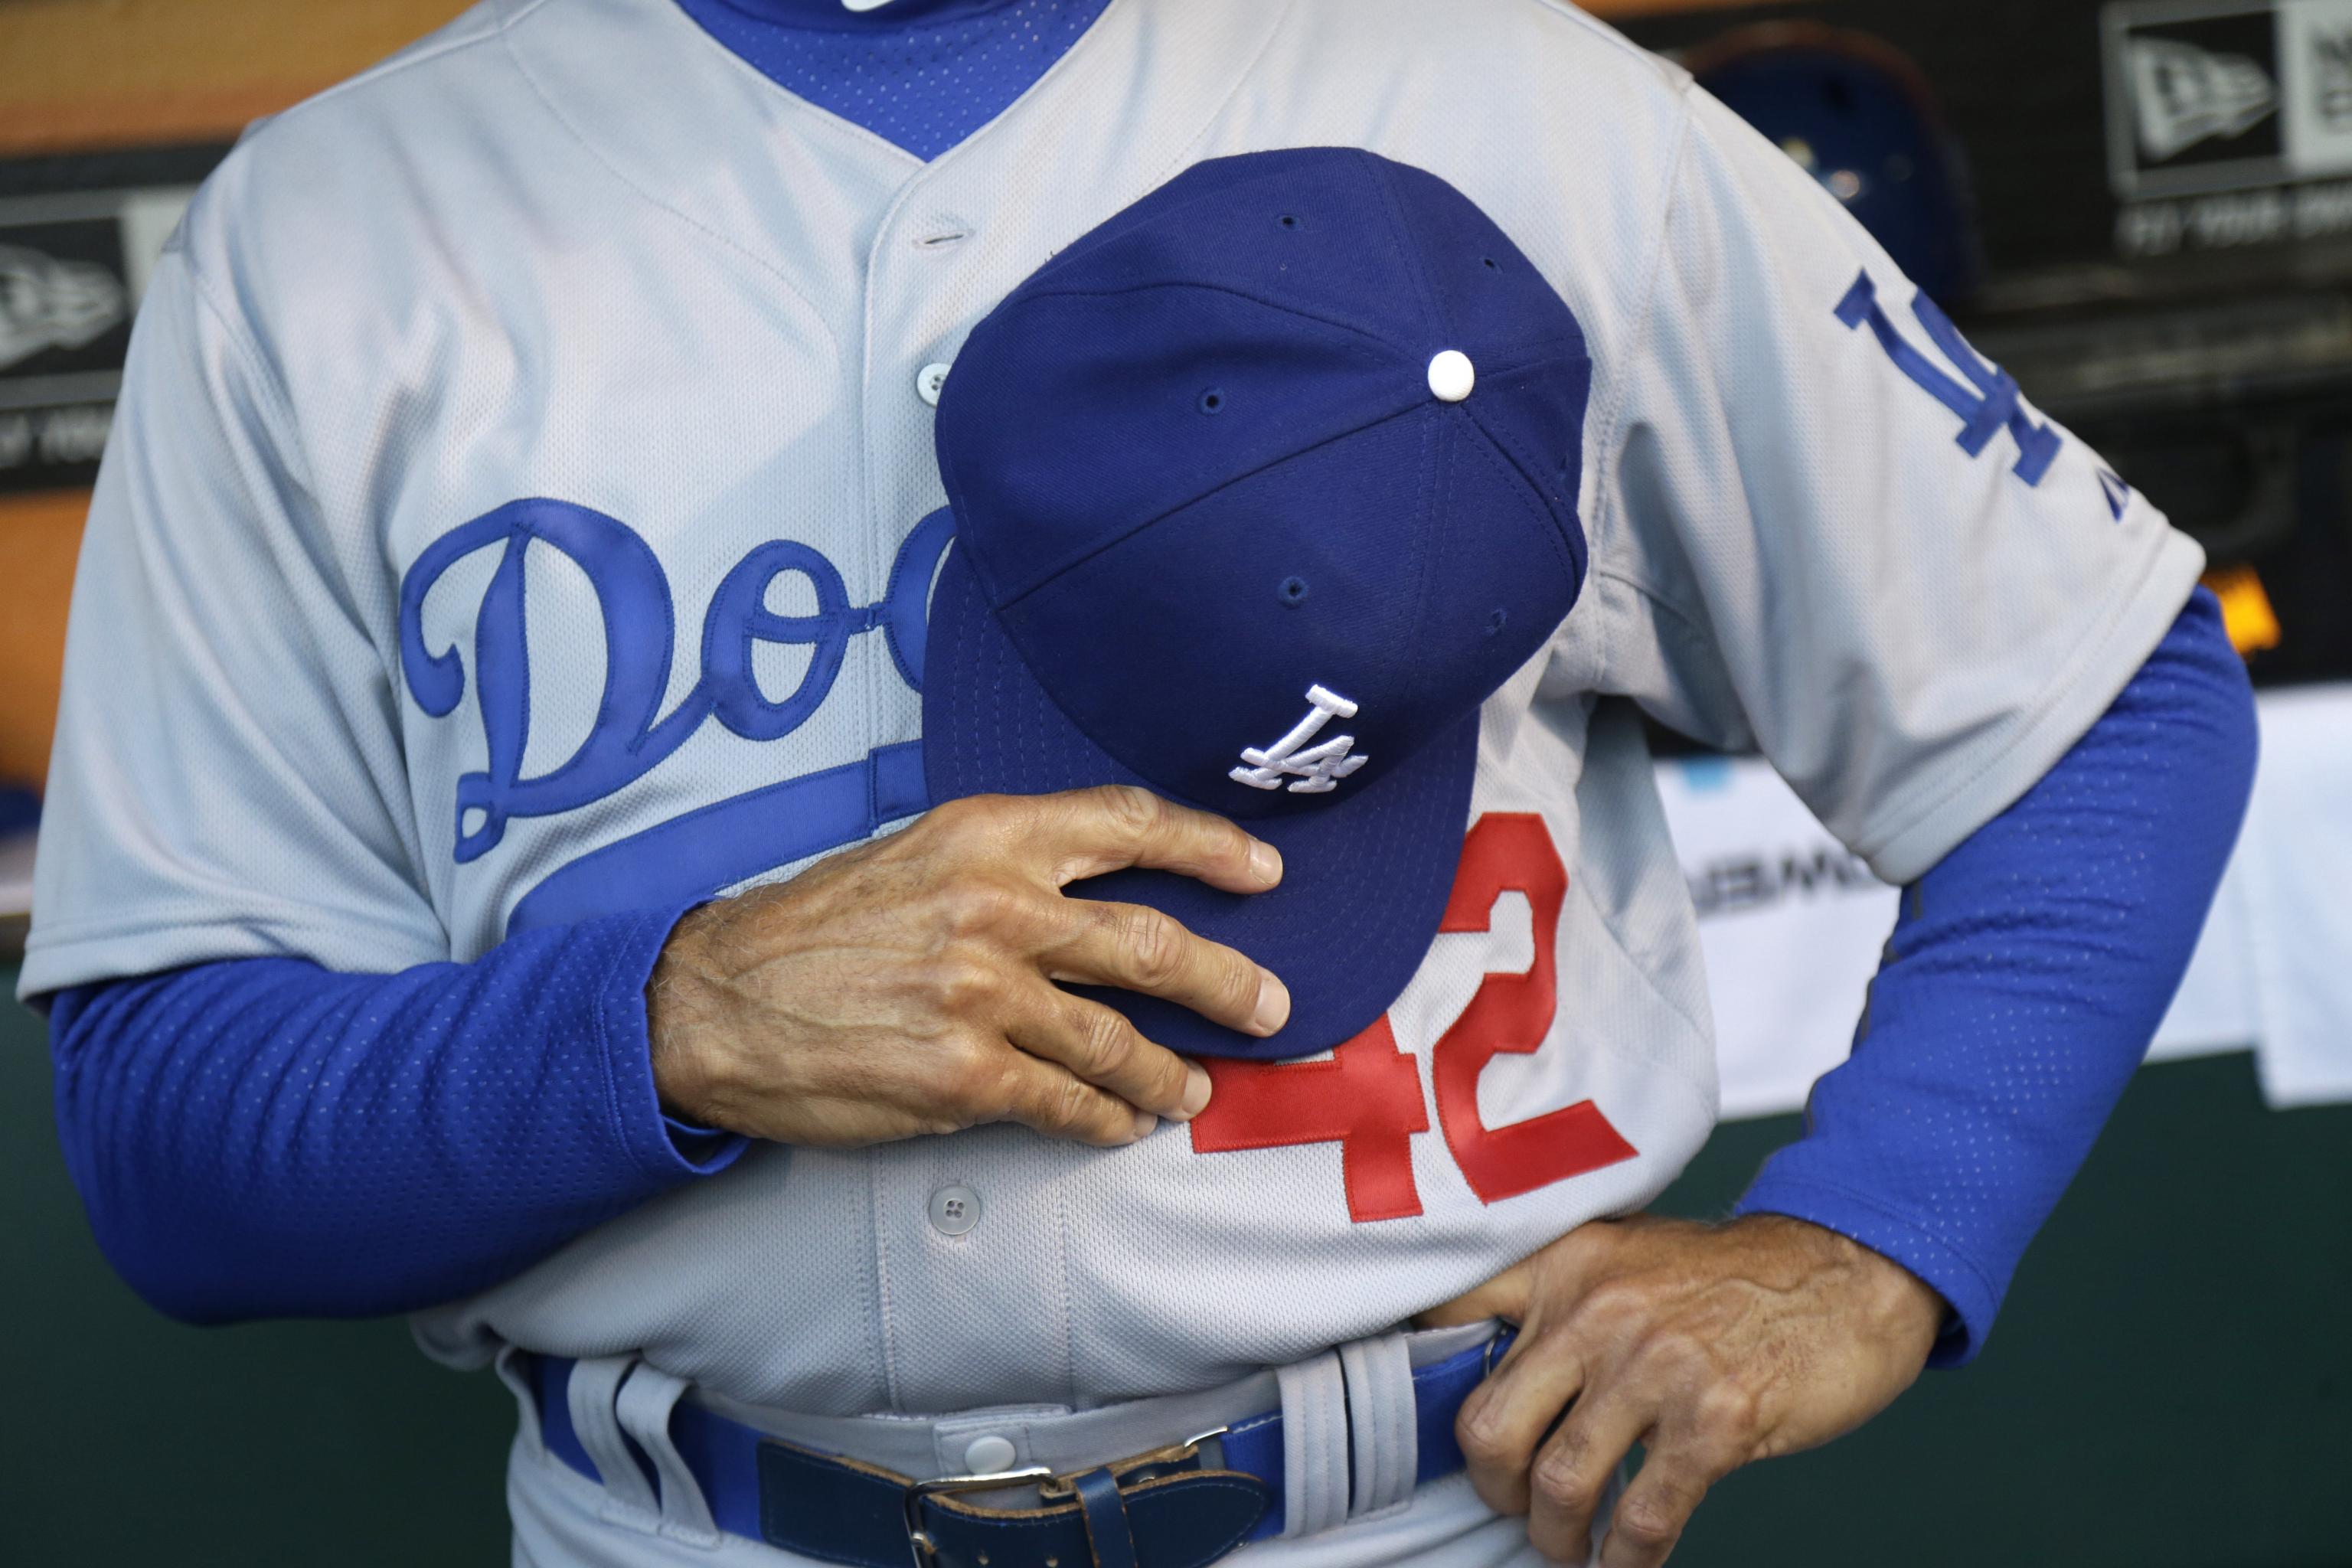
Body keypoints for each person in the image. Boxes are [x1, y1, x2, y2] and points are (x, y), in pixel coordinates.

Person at [25, 2, 2256, 1565]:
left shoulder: (1522, 105)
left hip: (1435, 1523)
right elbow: (171, 1139)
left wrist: (1871, 1241)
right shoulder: (326, 242)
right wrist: (664, 1022)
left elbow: (2094, 696)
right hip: (679, 1528)